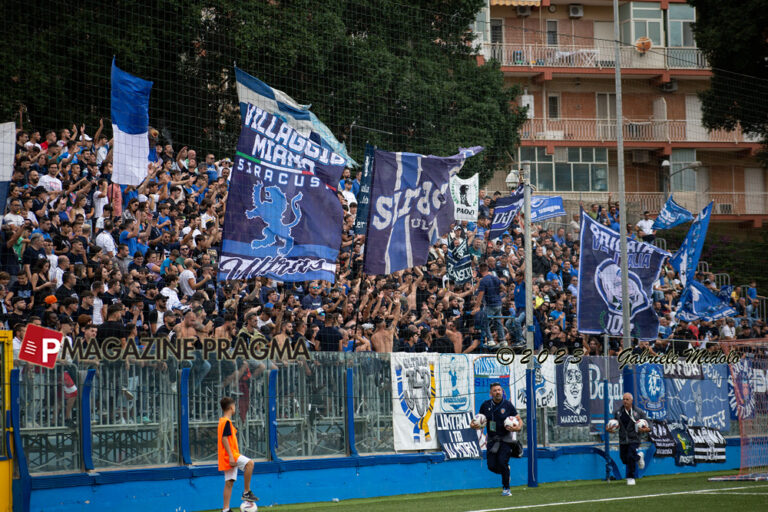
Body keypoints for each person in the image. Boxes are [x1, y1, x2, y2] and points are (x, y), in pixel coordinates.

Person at [471, 382, 522, 496]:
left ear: (502, 391)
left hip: (506, 440)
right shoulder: (485, 405)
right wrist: (473, 425)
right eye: (495, 390)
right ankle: (506, 471)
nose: (497, 392)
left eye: (499, 390)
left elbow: (519, 419)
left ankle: (506, 489)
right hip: (492, 440)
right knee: (491, 466)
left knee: (502, 462)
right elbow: (477, 419)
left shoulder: (508, 405)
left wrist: (518, 427)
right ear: (491, 393)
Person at [218, 396, 257, 512]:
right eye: (234, 406)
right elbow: (224, 439)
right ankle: (246, 492)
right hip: (230, 455)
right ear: (231, 407)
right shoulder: (226, 422)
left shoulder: (222, 421)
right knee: (250, 464)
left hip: (226, 456)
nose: (235, 408)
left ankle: (226, 509)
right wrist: (231, 456)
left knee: (229, 483)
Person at [611, 392, 650, 486]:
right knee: (624, 459)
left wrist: (645, 429)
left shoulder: (639, 412)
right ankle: (639, 457)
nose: (625, 401)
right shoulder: (618, 412)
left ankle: (630, 477)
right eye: (623, 399)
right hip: (623, 440)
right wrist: (610, 429)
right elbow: (615, 425)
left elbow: (649, 425)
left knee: (630, 456)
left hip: (634, 439)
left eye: (627, 399)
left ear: (631, 401)